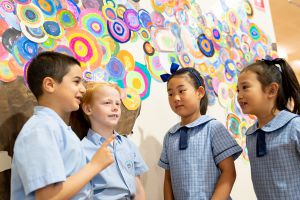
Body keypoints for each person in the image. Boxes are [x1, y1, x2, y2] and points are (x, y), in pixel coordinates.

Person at [11, 51, 114, 200]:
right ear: (50, 85)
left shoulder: (59, 129)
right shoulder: (40, 129)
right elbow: (48, 197)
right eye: (76, 81)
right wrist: (95, 165)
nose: (83, 89)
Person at [158, 65, 242, 200]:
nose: (176, 98)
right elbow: (168, 179)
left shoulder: (213, 128)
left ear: (200, 92)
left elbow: (229, 173)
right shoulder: (170, 136)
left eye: (182, 91)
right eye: (170, 93)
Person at [70, 82, 148, 200]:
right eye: (107, 103)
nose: (115, 107)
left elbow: (138, 189)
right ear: (88, 108)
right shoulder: (81, 150)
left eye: (118, 103)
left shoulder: (129, 145)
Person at [237, 58, 300, 199]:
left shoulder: (295, 126)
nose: (239, 96)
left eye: (245, 87)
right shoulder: (251, 135)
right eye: (238, 90)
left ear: (271, 90)